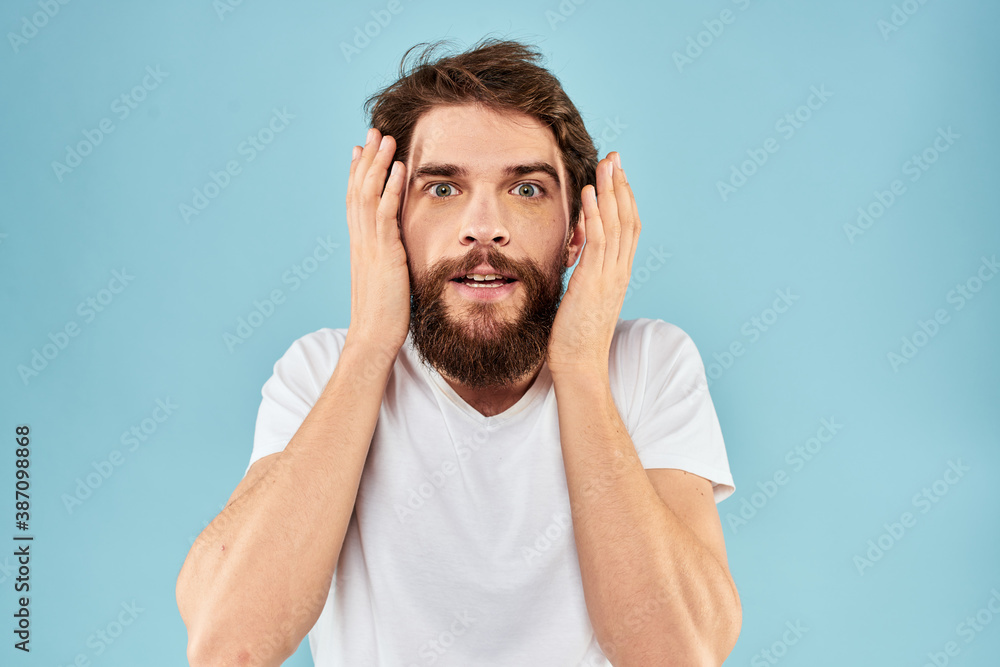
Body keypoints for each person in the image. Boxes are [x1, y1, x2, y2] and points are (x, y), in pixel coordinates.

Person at [176, 36, 740, 666]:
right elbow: (228, 647)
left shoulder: (646, 366)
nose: (484, 227)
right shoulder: (320, 372)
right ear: (389, 221)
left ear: (577, 230)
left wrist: (579, 368)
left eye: (526, 189)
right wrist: (368, 349)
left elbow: (679, 654)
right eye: (442, 189)